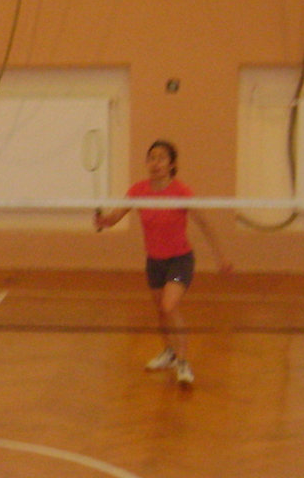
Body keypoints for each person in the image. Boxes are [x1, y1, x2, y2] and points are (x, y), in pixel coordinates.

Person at [95, 139, 231, 386]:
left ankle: (183, 362)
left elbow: (204, 223)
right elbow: (115, 218)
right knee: (161, 310)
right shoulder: (138, 191)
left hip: (180, 260)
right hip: (154, 261)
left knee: (169, 306)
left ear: (171, 164)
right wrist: (103, 220)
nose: (155, 163)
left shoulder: (181, 192)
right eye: (151, 158)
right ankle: (169, 353)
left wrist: (220, 256)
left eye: (161, 158)